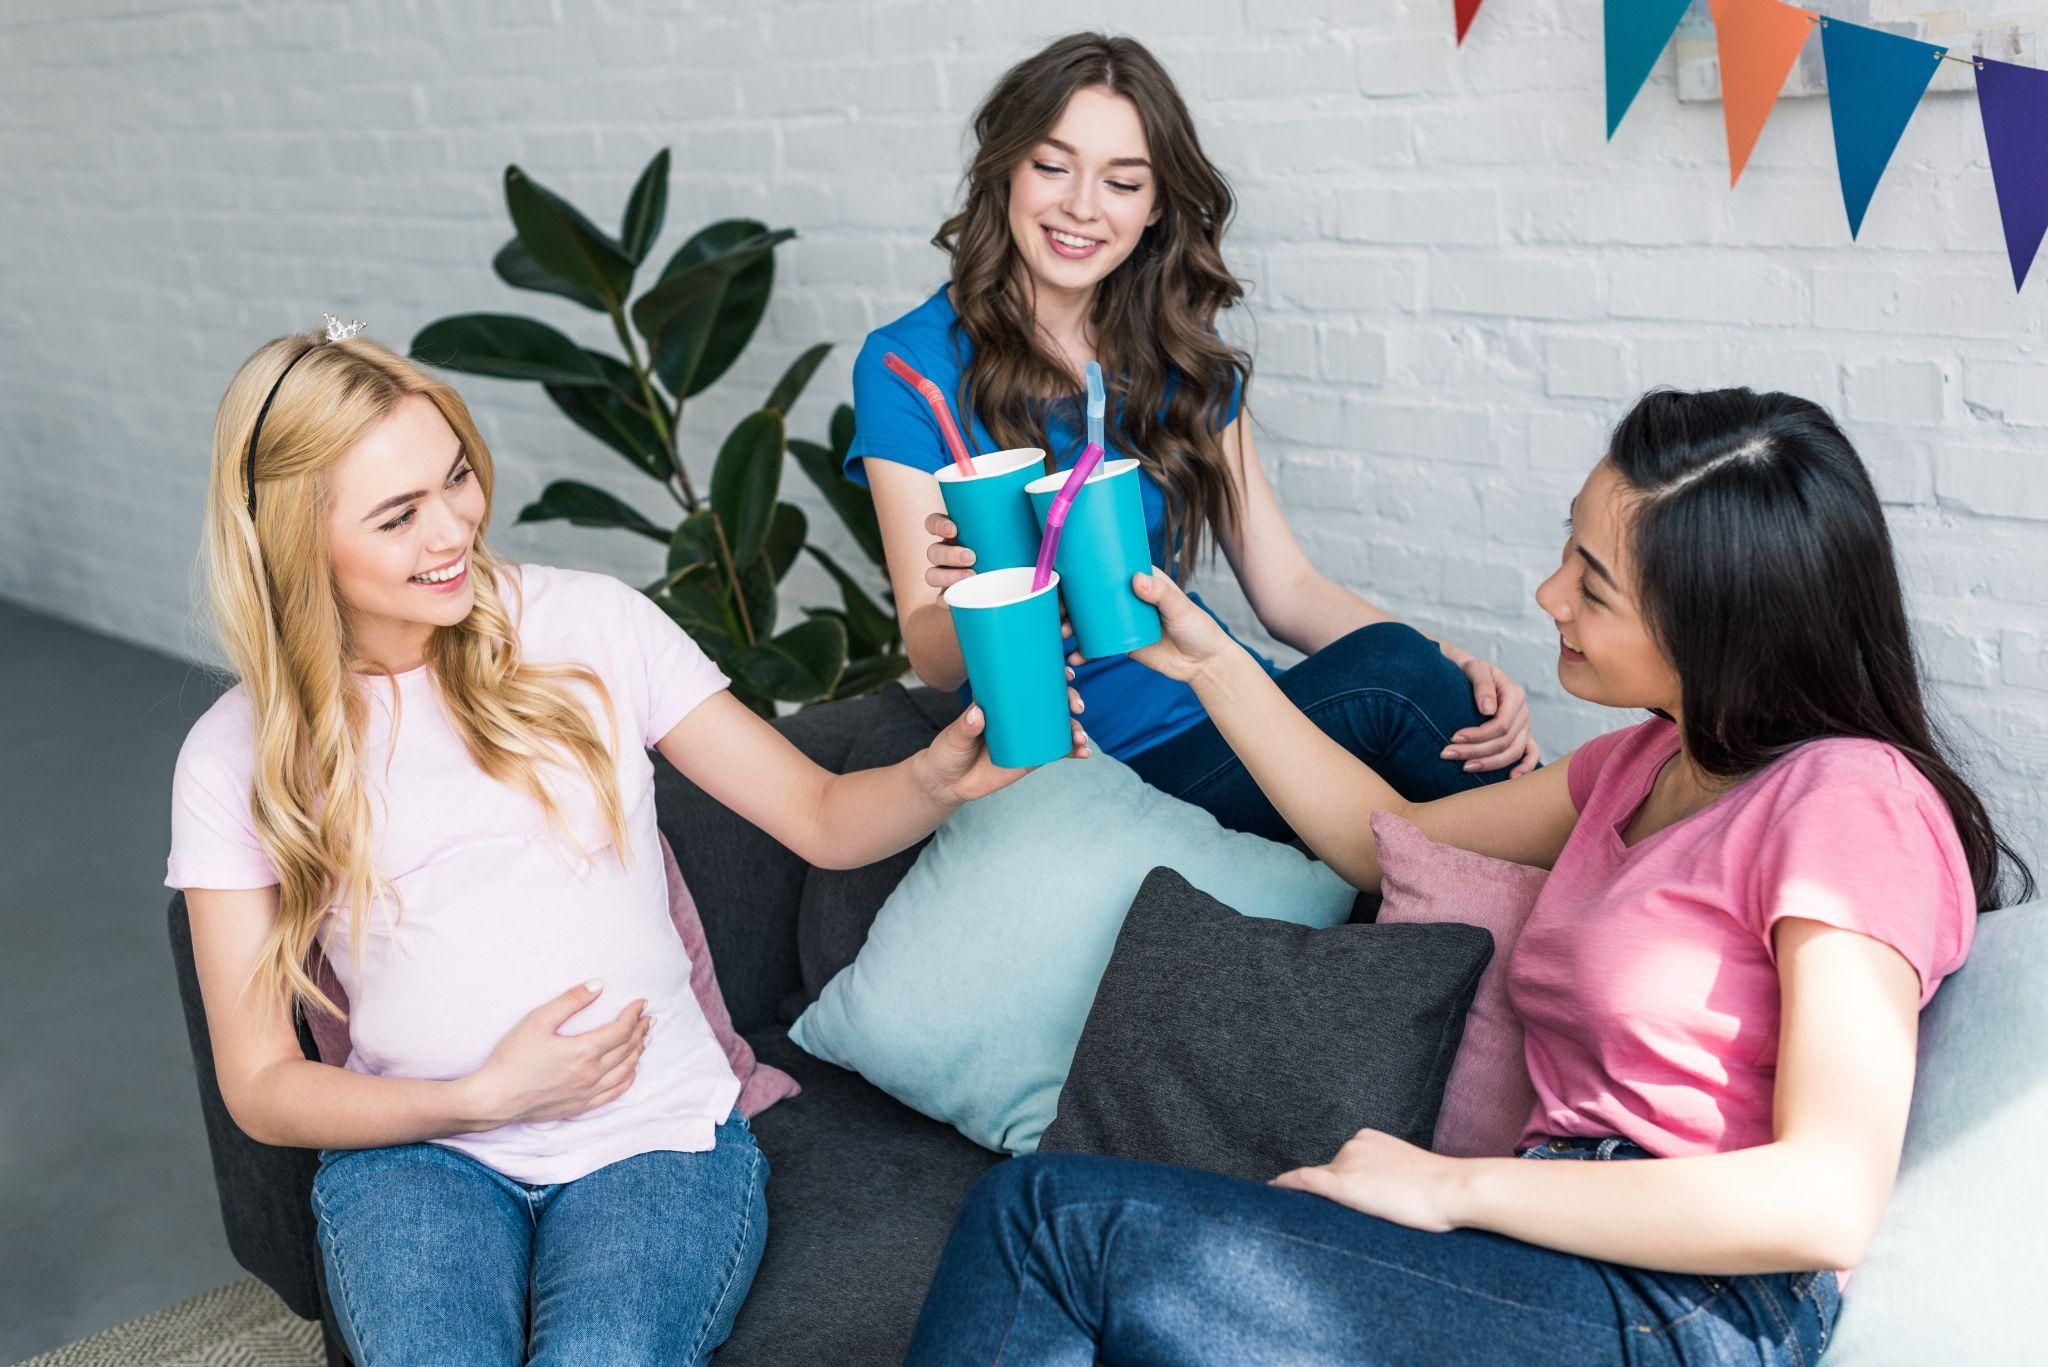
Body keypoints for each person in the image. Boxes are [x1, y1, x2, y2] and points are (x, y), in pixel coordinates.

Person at [902, 388, 2034, 1365]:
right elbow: (1386, 837)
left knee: (1047, 1222)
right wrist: (1208, 664)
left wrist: (1447, 1188)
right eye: (1566, 550)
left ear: (1717, 627)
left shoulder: (1847, 801)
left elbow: (1823, 1197)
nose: (1547, 596)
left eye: (1592, 586)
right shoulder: (1642, 762)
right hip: (1541, 1259)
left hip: (1676, 1308)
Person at [169, 321, 1083, 1366]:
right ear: (294, 540)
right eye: (397, 514)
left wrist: (936, 776)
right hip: (417, 1154)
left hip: (656, 1137)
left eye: (456, 475)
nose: (453, 528)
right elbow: (261, 1083)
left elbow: (823, 818)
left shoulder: (590, 625)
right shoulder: (233, 754)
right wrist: (481, 1097)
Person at [849, 32, 1538, 841]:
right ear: (1005, 169)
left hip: (1236, 707)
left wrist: (1456, 660)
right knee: (1396, 684)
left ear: (1156, 206)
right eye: (1052, 165)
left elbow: (1289, 593)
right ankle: (1589, 903)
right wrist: (992, 588)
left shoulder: (1179, 358)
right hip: (1108, 762)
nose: (1081, 206)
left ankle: (1571, 915)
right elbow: (931, 656)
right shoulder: (910, 365)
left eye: (1123, 181)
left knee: (1417, 681)